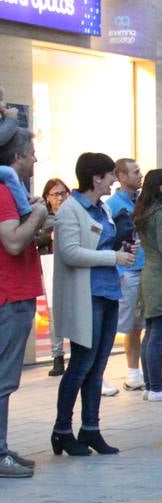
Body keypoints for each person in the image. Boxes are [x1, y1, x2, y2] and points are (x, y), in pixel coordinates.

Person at [50, 152, 136, 456]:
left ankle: (90, 429)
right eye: (110, 175)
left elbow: (101, 244)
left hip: (108, 293)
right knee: (81, 364)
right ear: (96, 178)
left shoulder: (101, 210)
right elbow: (71, 252)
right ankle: (62, 430)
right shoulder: (70, 210)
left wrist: (121, 247)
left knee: (97, 367)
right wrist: (114, 256)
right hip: (86, 297)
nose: (114, 180)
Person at [0, 123, 47, 476]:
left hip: (16, 293)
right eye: (30, 153)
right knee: (3, 379)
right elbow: (13, 242)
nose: (35, 159)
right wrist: (41, 216)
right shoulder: (3, 194)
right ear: (16, 157)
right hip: (9, 295)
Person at [131, 169, 162, 402]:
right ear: (161, 187)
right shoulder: (161, 214)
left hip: (150, 275)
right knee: (157, 332)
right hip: (160, 276)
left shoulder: (147, 211)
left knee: (151, 332)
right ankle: (156, 387)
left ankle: (151, 386)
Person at [105, 158, 146, 392]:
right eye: (135, 171)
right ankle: (99, 373)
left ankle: (133, 372)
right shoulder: (113, 205)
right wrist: (118, 269)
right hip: (126, 270)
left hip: (143, 267)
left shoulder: (141, 202)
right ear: (121, 175)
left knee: (137, 324)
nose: (139, 175)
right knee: (117, 323)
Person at [36, 178, 69, 376]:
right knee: (54, 312)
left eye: (63, 193)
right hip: (51, 265)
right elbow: (34, 239)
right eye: (56, 194)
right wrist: (49, 236)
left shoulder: (73, 213)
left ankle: (78, 351)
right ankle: (58, 356)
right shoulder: (43, 219)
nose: (60, 198)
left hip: (73, 265)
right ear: (47, 198)